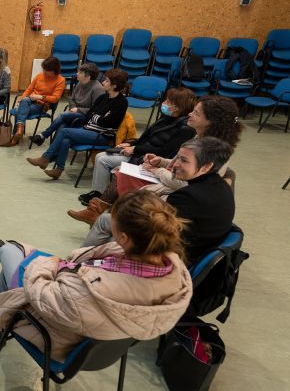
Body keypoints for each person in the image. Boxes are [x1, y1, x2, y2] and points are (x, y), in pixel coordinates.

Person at [0, 190, 193, 362]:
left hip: (60, 334)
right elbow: (88, 260)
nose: (107, 222)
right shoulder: (169, 267)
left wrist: (48, 265)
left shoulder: (96, 289)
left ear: (124, 238)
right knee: (17, 253)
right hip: (98, 326)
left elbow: (42, 293)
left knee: (10, 252)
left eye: (111, 221)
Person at [72, 95, 243, 224]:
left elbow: (184, 184)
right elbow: (179, 164)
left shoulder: (211, 149)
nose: (190, 114)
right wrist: (160, 161)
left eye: (196, 113)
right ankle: (97, 211)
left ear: (211, 121)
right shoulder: (200, 138)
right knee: (121, 172)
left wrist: (157, 170)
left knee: (121, 174)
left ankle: (101, 214)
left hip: (176, 192)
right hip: (170, 179)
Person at [82, 137, 235, 264]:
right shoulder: (223, 187)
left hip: (173, 259)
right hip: (195, 252)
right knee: (108, 223)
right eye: (177, 159)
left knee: (107, 225)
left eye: (183, 160)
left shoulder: (186, 197)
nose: (175, 165)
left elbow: (156, 237)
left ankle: (76, 266)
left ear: (206, 166)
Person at [70, 87, 197, 212]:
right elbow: (147, 138)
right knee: (101, 157)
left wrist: (135, 149)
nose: (164, 104)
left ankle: (101, 197)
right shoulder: (166, 118)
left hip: (147, 159)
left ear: (179, 107)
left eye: (169, 102)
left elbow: (164, 151)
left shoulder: (184, 129)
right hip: (140, 152)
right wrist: (130, 144)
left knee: (103, 159)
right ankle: (98, 193)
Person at [26, 68, 129, 179]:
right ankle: (58, 169)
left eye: (107, 81)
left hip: (102, 136)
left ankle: (45, 158)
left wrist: (96, 117)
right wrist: (99, 117)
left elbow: (107, 122)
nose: (103, 82)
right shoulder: (103, 98)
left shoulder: (121, 102)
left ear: (114, 85)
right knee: (65, 139)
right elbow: (90, 114)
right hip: (89, 129)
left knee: (65, 131)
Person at [30, 63, 104, 146]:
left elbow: (96, 110)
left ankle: (43, 135)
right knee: (63, 124)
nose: (77, 74)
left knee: (63, 115)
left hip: (86, 116)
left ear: (88, 76)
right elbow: (71, 98)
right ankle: (53, 148)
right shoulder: (80, 83)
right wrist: (73, 108)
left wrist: (78, 110)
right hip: (75, 113)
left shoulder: (98, 89)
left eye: (80, 73)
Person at [8, 56, 66, 146]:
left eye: (47, 70)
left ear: (54, 70)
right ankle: (19, 130)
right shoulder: (40, 75)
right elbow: (29, 89)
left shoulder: (61, 80)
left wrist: (40, 97)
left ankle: (18, 131)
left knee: (20, 110)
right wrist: (20, 100)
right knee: (25, 100)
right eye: (44, 69)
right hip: (29, 101)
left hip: (42, 105)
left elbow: (55, 98)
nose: (44, 72)